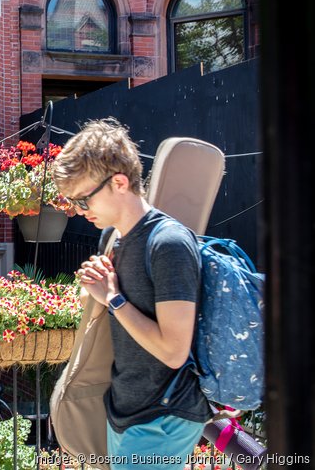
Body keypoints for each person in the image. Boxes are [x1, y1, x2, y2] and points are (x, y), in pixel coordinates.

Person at [52, 119, 210, 469]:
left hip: (163, 417)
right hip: (126, 413)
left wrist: (114, 299)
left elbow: (173, 351)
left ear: (119, 182)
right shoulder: (116, 241)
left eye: (83, 199)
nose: (80, 211)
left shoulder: (168, 243)